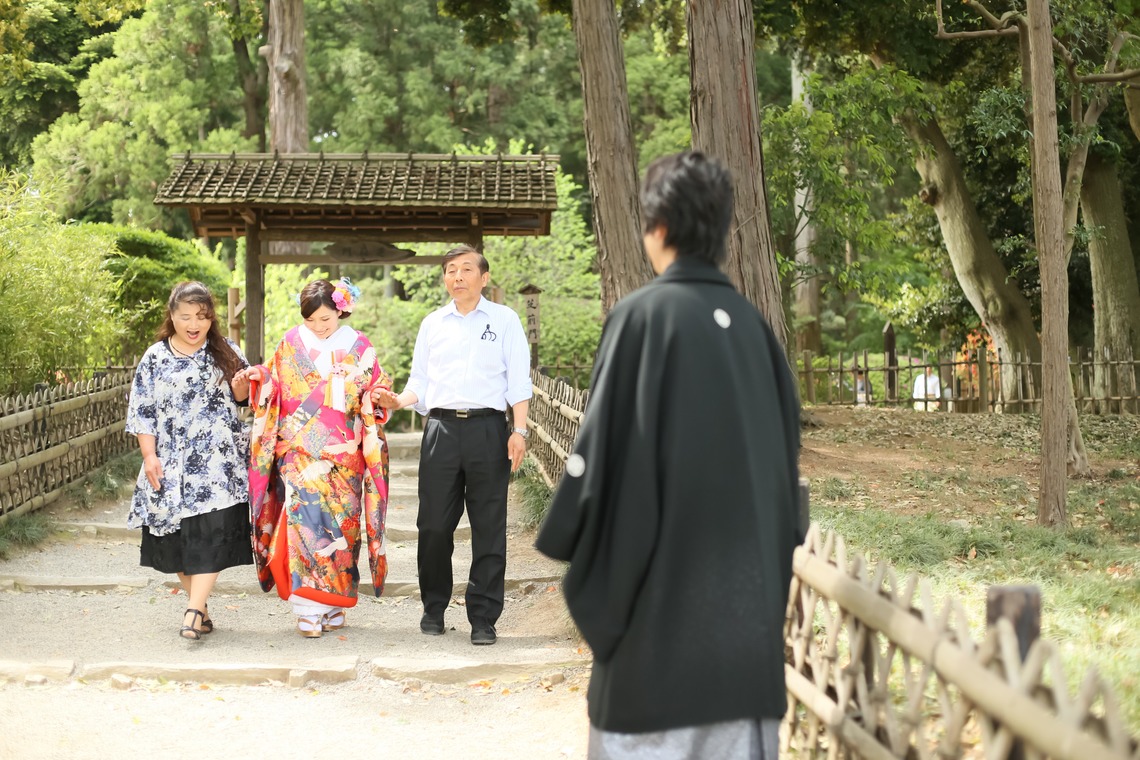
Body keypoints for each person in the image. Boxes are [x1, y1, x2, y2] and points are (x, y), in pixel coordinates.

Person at [534, 152, 803, 759]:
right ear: (722, 228)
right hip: (745, 656)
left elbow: (601, 467)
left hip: (656, 652)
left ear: (657, 227)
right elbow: (786, 483)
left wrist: (584, 572)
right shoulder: (757, 331)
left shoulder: (643, 318)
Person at [373, 245, 531, 646]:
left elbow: (518, 380)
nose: (457, 277)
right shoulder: (433, 323)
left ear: (484, 277)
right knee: (433, 525)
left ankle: (483, 617)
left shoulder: (505, 320)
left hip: (490, 429)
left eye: (465, 269)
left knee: (489, 526)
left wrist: (521, 430)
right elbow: (419, 384)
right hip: (441, 429)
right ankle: (434, 606)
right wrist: (396, 401)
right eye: (450, 270)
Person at [241, 278, 392, 638]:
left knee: (343, 529)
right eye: (311, 321)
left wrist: (379, 396)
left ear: (341, 309)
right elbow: (274, 382)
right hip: (299, 451)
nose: (319, 327)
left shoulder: (360, 346)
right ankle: (307, 609)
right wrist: (259, 376)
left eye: (325, 319)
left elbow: (374, 386)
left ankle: (335, 603)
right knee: (304, 528)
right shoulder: (290, 343)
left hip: (344, 456)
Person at [125, 281, 253, 641]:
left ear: (212, 318)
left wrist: (242, 382)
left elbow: (244, 399)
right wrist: (148, 455)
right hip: (169, 463)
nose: (194, 324)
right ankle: (203, 609)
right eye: (186, 317)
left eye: (202, 317)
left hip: (219, 465)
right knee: (174, 546)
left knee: (211, 537)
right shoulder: (155, 357)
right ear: (172, 317)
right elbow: (143, 412)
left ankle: (194, 610)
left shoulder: (227, 351)